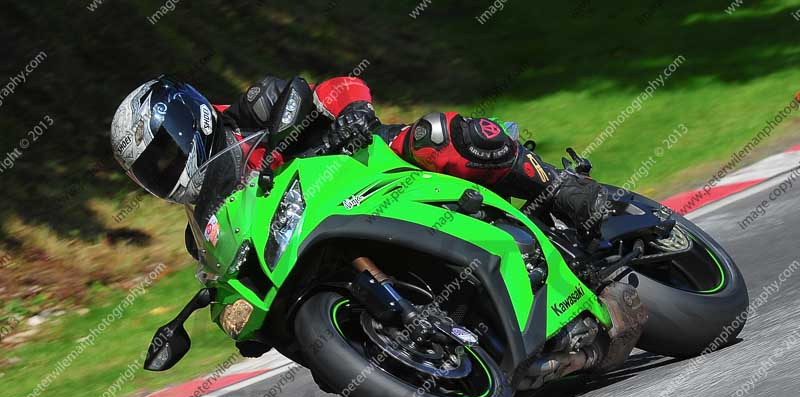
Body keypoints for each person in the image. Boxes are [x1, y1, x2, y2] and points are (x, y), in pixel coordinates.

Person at [110, 74, 606, 239]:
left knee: (445, 136)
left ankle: (560, 190)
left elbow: (338, 87)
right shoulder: (205, 229)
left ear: (188, 123)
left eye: (166, 153)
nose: (167, 170)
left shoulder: (252, 108)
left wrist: (352, 113)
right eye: (153, 171)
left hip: (372, 168)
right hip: (326, 236)